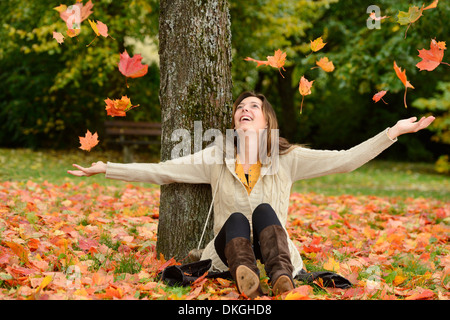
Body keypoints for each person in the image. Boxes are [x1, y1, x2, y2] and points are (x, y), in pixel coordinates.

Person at [68, 91, 435, 298]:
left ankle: (280, 277)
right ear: (235, 121)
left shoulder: (288, 158)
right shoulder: (216, 156)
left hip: (274, 246)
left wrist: (393, 132)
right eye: (240, 108)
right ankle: (244, 274)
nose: (244, 110)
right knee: (238, 218)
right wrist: (108, 168)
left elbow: (346, 161)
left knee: (262, 210)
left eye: (253, 108)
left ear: (266, 122)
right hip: (230, 250)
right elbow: (164, 171)